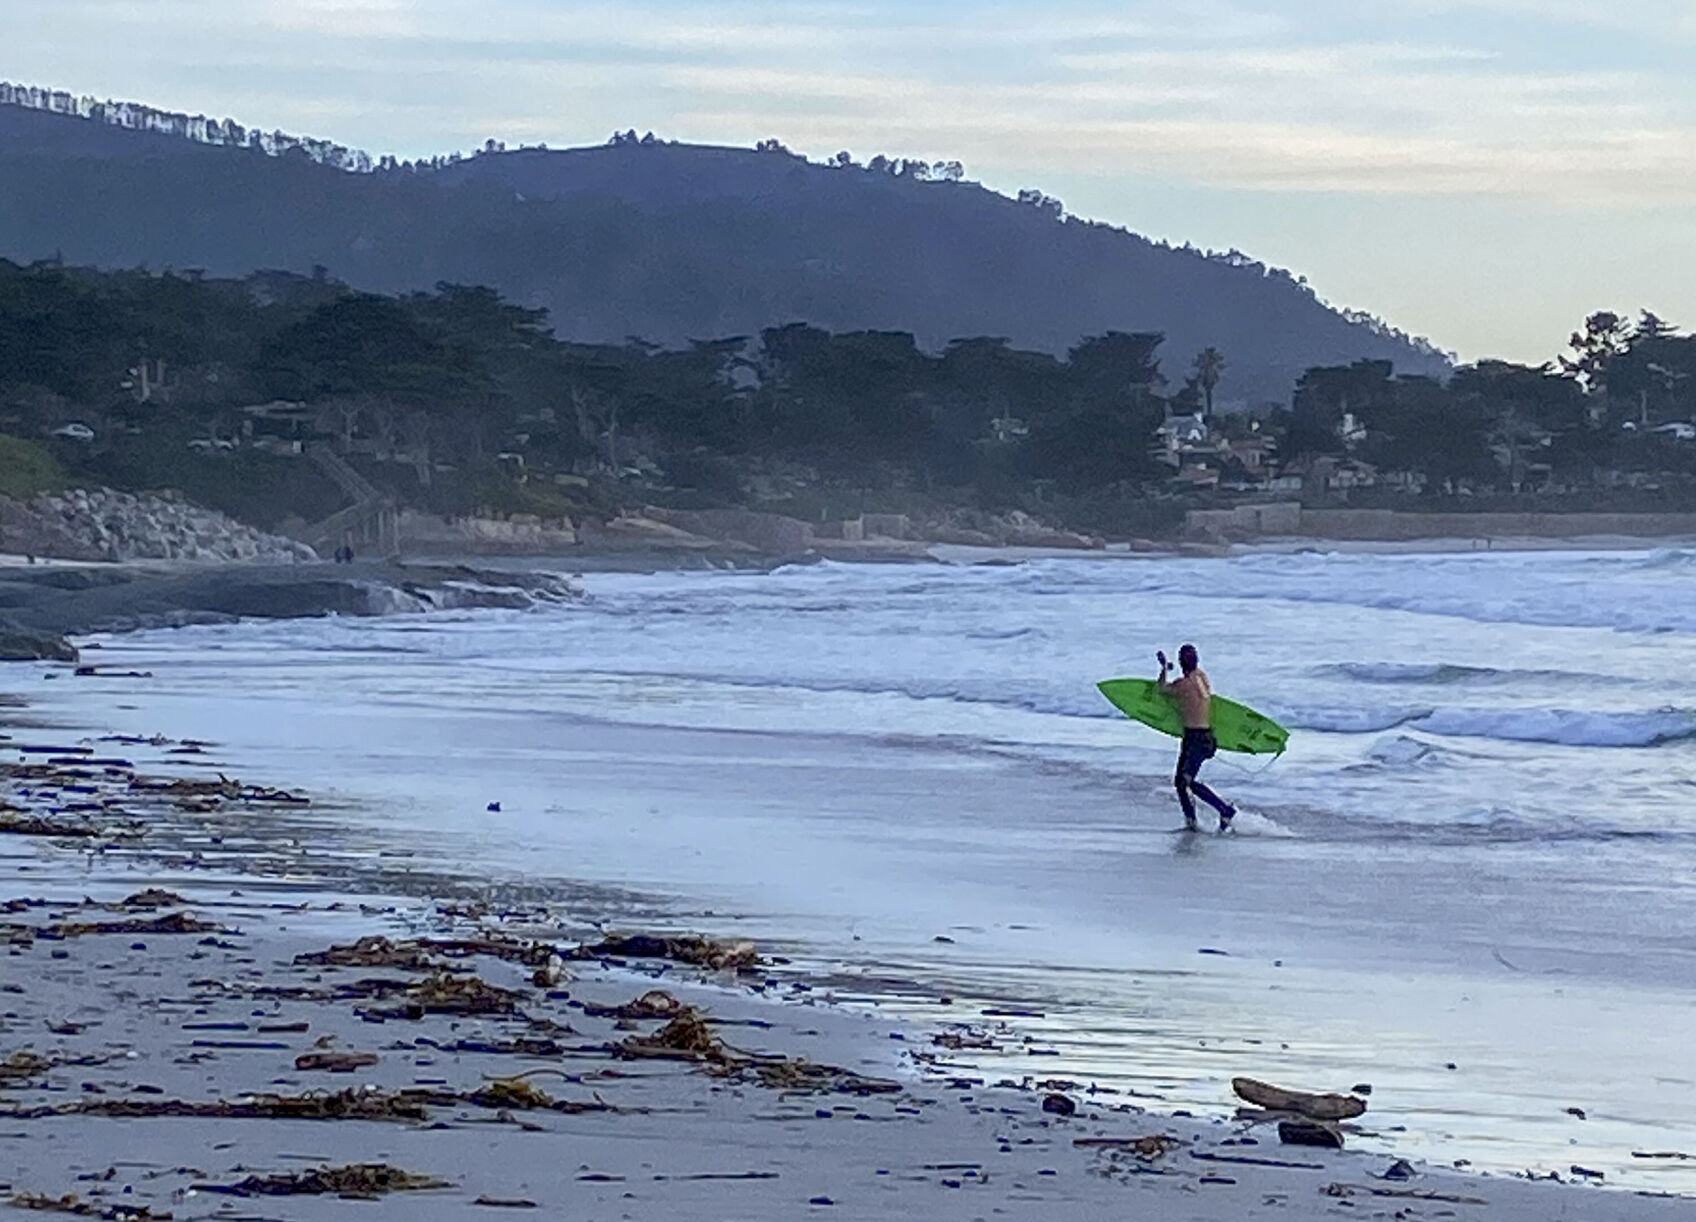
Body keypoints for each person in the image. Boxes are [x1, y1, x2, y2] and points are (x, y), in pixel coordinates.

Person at [1157, 643, 1236, 832]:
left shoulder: (1182, 685)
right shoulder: (1203, 678)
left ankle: (1224, 810)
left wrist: (1163, 669)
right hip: (1205, 737)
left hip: (1196, 739)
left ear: (1181, 663)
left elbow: (1161, 689)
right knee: (1181, 782)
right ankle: (1191, 822)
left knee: (1185, 782)